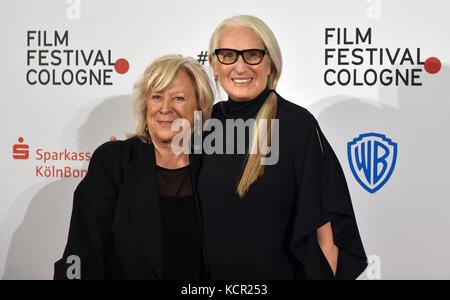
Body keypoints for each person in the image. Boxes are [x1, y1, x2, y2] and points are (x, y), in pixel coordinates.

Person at [197, 15, 368, 280]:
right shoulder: (202, 124)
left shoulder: (297, 127)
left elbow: (325, 238)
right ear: (213, 64)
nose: (240, 66)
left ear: (270, 64)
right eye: (228, 55)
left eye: (252, 54)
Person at [54, 55, 214, 280]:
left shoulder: (216, 165)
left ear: (199, 106)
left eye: (178, 98)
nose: (165, 108)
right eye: (156, 96)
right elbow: (82, 253)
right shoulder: (113, 161)